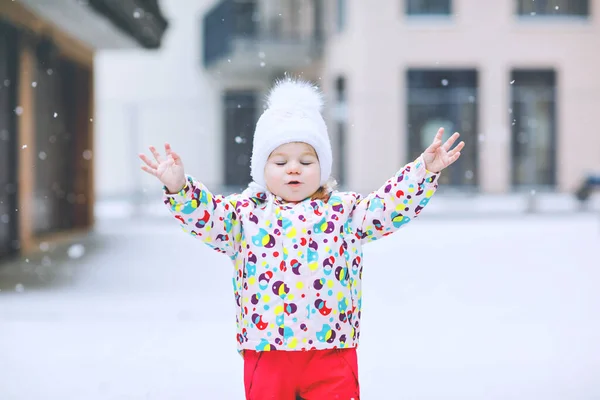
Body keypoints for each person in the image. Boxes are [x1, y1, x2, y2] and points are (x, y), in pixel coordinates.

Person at [139, 79, 465, 400]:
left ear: (322, 167)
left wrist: (422, 172)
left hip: (332, 349)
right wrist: (180, 189)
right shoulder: (244, 215)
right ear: (261, 169)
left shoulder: (344, 212)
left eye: (306, 161)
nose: (293, 169)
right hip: (266, 349)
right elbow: (206, 218)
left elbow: (387, 207)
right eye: (280, 162)